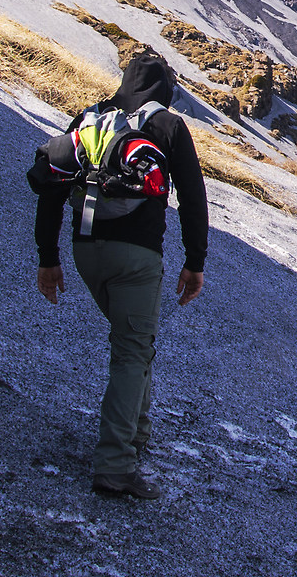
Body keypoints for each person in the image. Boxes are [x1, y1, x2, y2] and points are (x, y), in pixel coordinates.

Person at [34, 52, 208, 500]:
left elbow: (53, 187)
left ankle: (136, 433)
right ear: (164, 87)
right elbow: (192, 197)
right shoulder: (168, 126)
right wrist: (195, 261)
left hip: (85, 249)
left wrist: (48, 256)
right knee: (132, 351)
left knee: (137, 341)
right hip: (137, 256)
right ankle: (115, 465)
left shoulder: (90, 118)